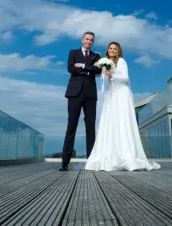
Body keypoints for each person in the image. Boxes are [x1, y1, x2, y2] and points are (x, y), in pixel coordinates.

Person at [85, 42, 160, 171]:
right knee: (111, 122)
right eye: (110, 48)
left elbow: (125, 78)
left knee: (122, 120)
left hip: (121, 93)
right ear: (107, 50)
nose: (112, 50)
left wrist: (111, 75)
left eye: (115, 49)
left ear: (118, 51)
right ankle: (111, 154)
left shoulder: (121, 61)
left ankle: (126, 154)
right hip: (111, 94)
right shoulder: (106, 63)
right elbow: (102, 79)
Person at [60, 31, 101, 171]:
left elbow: (97, 70)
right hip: (74, 94)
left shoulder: (96, 56)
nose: (89, 41)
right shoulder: (73, 52)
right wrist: (89, 70)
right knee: (71, 127)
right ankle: (65, 162)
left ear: (93, 42)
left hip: (90, 95)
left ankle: (91, 161)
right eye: (87, 39)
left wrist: (83, 66)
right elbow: (70, 68)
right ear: (82, 40)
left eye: (91, 40)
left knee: (91, 128)